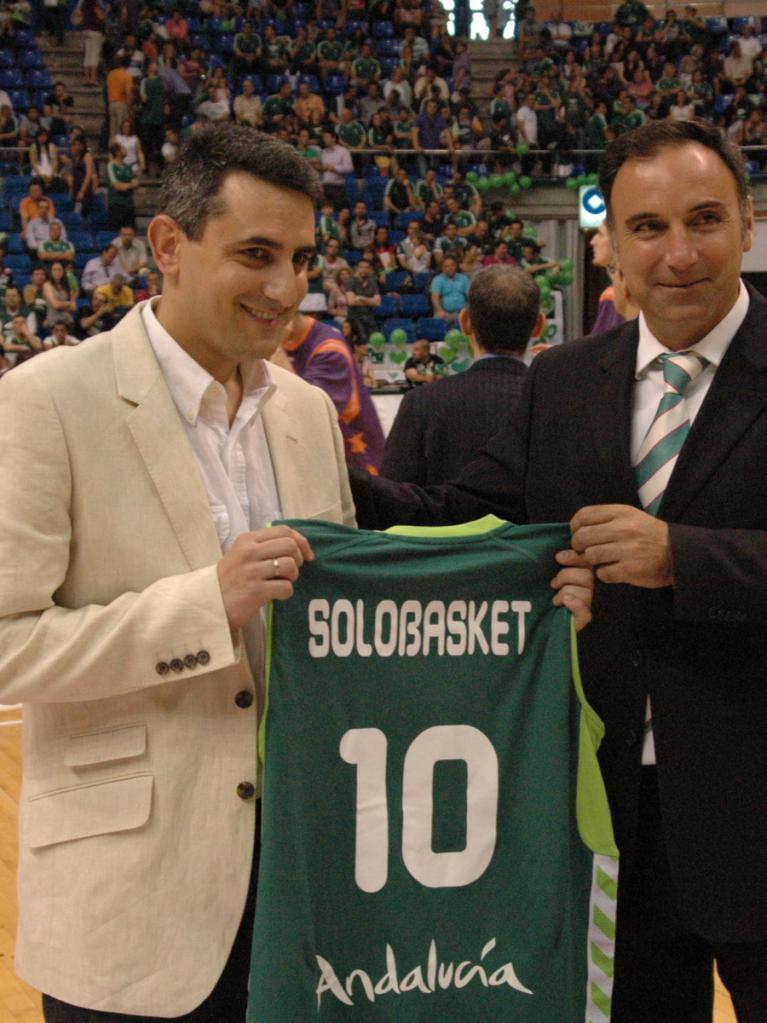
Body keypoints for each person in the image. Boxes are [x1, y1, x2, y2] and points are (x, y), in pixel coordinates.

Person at [351, 117, 767, 1020]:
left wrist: (682, 558)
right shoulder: (563, 379)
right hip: (608, 813)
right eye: (647, 228)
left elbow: (680, 560)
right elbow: (462, 510)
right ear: (609, 244)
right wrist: (313, 473)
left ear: (746, 219)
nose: (678, 252)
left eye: (703, 219)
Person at [0, 122, 355, 1022]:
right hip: (130, 899)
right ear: (169, 246)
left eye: (303, 258)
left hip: (299, 889)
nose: (285, 289)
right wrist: (206, 606)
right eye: (256, 254)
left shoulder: (308, 413)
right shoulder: (48, 399)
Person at [383, 265, 541, 485]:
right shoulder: (559, 405)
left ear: (465, 322)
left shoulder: (422, 403)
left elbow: (393, 497)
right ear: (538, 326)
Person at [279, 311, 385, 475]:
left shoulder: (330, 349)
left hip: (355, 472)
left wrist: (275, 349)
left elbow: (303, 415)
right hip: (316, 466)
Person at [589, 221, 638, 334]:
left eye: (600, 234)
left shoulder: (611, 295)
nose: (592, 241)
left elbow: (601, 346)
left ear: (618, 243)